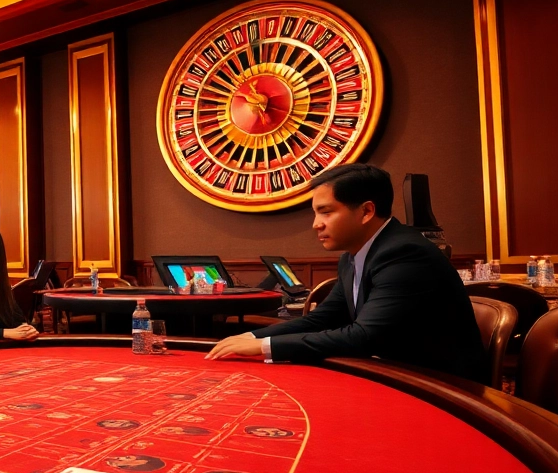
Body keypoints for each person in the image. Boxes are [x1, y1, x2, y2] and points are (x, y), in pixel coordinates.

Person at [206, 163, 490, 385]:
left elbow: (365, 336)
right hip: (396, 370)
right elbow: (324, 318)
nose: (316, 224)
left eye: (326, 212)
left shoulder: (404, 253)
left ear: (366, 211)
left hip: (442, 387)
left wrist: (264, 347)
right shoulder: (354, 255)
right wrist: (252, 337)